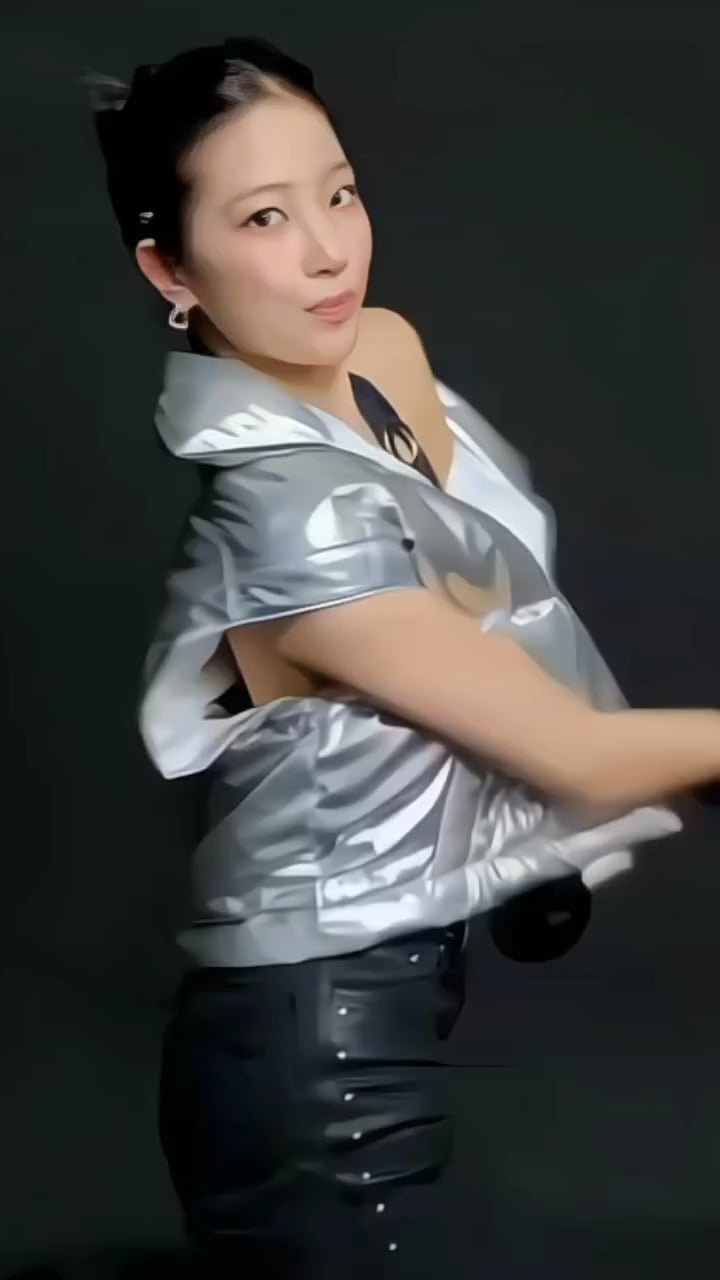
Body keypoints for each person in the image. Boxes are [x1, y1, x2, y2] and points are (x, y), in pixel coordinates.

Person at [87, 36, 719, 1278]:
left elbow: (476, 587)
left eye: (340, 192)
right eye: (264, 218)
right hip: (314, 1075)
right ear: (170, 267)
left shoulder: (377, 353)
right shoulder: (290, 514)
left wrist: (299, 671)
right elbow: (582, 755)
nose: (330, 251)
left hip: (392, 1001)